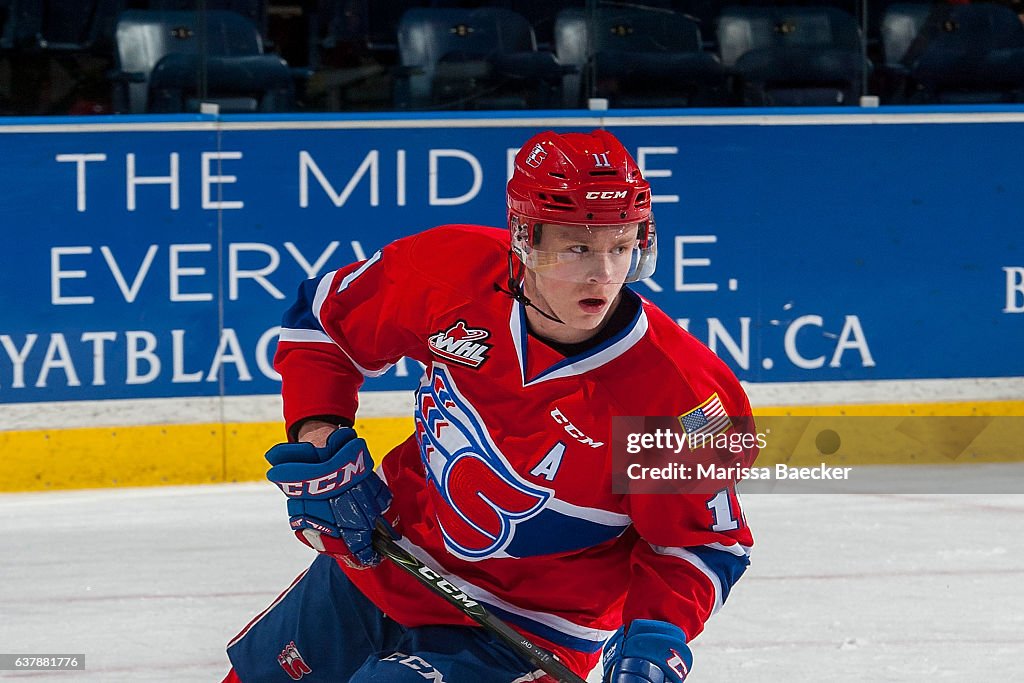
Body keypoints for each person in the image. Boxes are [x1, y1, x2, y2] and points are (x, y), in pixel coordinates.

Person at [223, 130, 755, 682]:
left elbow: (700, 544)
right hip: (381, 560)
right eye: (577, 247)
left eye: (620, 246)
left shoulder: (686, 398)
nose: (603, 273)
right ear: (525, 237)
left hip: (525, 631)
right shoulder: (448, 269)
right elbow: (324, 327)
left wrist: (658, 632)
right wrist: (320, 438)